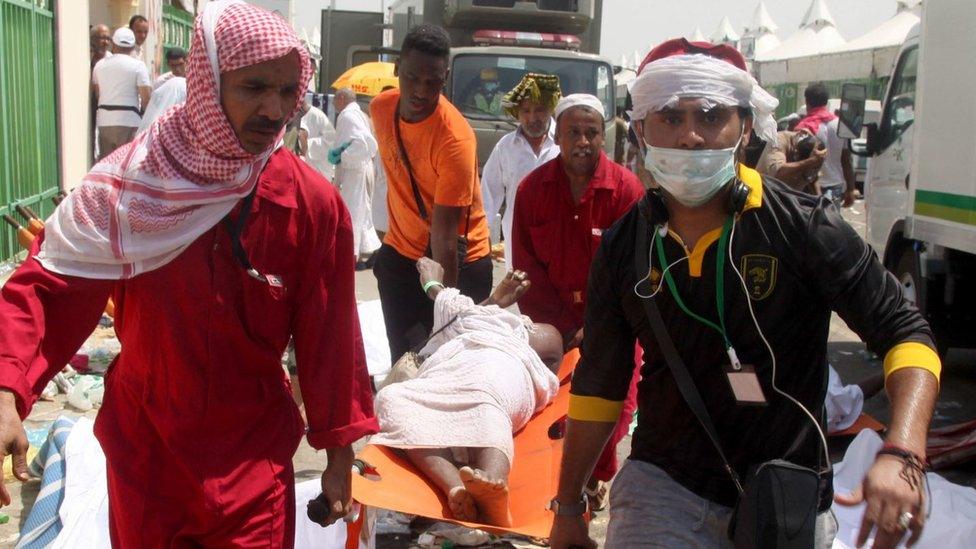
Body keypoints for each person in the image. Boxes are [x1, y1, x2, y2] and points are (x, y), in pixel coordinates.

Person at [0, 2, 377, 546]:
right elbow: (50, 286)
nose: (275, 109)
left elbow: (332, 341)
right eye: (253, 88)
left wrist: (340, 457)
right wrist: (8, 390)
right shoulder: (130, 188)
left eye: (287, 91)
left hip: (252, 461)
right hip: (146, 452)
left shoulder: (310, 206)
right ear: (208, 84)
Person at [549, 38, 941, 549]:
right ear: (640, 129)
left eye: (710, 115)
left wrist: (903, 452)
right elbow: (601, 380)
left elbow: (905, 331)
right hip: (665, 485)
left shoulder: (805, 228)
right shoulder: (625, 246)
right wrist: (568, 504)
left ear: (746, 126)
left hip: (786, 489)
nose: (690, 136)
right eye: (668, 115)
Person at [511, 93, 643, 510]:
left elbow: (635, 268)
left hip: (612, 322)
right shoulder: (533, 189)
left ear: (602, 137)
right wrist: (559, 331)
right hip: (553, 323)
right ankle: (558, 478)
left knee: (615, 404)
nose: (582, 142)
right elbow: (525, 262)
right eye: (574, 133)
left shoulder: (626, 190)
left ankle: (593, 477)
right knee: (550, 402)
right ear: (558, 135)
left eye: (591, 133)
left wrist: (600, 326)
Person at [372, 258, 561, 527]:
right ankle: (455, 488)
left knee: (485, 404)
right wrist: (491, 303)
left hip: (492, 376)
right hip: (446, 377)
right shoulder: (466, 323)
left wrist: (433, 283)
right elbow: (462, 313)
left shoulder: (524, 338)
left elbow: (455, 307)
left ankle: (495, 489)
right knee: (392, 399)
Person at [371, 24, 492, 363]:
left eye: (433, 82)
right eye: (412, 78)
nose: (421, 91)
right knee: (406, 363)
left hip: (456, 263)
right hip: (401, 253)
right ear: (397, 69)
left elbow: (445, 235)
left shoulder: (455, 138)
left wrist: (444, 306)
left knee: (443, 363)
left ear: (446, 77)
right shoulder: (381, 110)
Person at [481, 73, 561, 266]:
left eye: (540, 110)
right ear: (518, 113)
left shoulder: (564, 144)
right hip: (517, 239)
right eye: (526, 111)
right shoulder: (505, 147)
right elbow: (488, 195)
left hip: (559, 238)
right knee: (519, 292)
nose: (533, 117)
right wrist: (480, 238)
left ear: (550, 108)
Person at [331, 88, 381, 267]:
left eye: (335, 99)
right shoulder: (357, 114)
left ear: (342, 98)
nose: (333, 104)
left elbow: (365, 143)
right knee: (361, 211)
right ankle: (361, 253)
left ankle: (352, 254)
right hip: (360, 168)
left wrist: (341, 154)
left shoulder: (347, 115)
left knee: (353, 212)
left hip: (354, 171)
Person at [92, 27, 151, 160]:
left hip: (105, 121)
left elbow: (97, 93)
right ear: (132, 47)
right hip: (130, 121)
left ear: (114, 44)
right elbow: (146, 98)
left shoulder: (99, 65)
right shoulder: (138, 66)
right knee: (127, 163)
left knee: (108, 164)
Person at [756, 128, 826, 193]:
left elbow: (812, 178)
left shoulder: (816, 155)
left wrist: (820, 200)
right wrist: (809, 162)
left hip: (790, 198)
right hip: (765, 193)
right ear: (796, 152)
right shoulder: (779, 140)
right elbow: (777, 171)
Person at [817, 113, 857, 207]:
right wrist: (850, 189)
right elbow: (846, 159)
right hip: (835, 184)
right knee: (832, 219)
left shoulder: (806, 124)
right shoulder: (840, 125)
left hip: (812, 186)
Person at [299, 99, 337, 181]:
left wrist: (307, 143)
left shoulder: (317, 116)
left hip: (319, 166)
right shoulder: (297, 115)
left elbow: (332, 141)